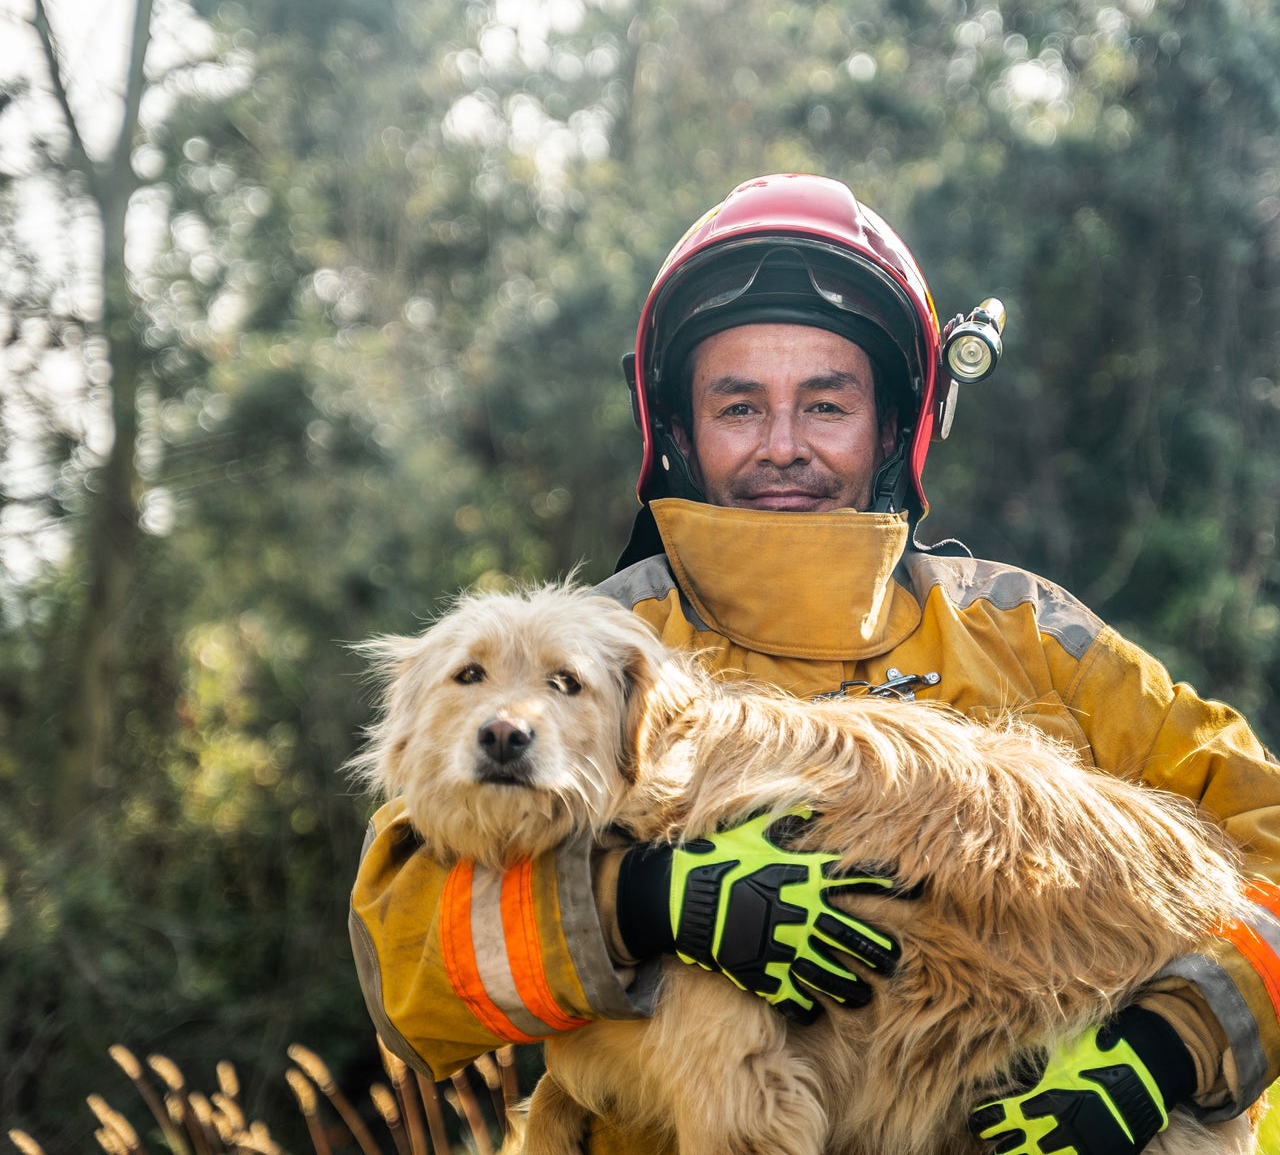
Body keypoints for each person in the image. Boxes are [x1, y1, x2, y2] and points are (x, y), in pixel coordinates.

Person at [350, 173, 1280, 1155]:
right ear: (679, 431)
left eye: (825, 404)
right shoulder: (597, 647)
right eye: (739, 407)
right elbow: (404, 956)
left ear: (894, 425)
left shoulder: (1029, 635)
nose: (783, 446)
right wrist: (634, 901)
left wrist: (1167, 1046)